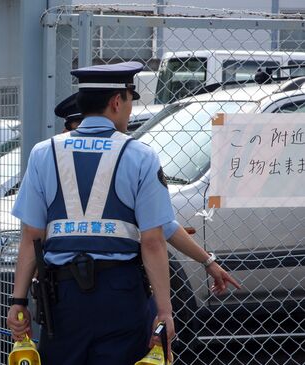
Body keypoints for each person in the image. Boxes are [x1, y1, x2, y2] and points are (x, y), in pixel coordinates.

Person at [7, 62, 176, 365]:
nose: (129, 110)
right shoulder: (141, 156)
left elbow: (31, 235)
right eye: (129, 100)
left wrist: (18, 302)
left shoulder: (44, 153)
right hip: (121, 294)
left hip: (62, 298)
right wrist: (164, 312)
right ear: (116, 101)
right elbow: (152, 241)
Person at [54, 92, 242, 295]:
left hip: (70, 286)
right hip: (115, 284)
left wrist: (207, 261)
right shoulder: (131, 157)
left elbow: (164, 225)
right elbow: (160, 231)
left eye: (70, 126)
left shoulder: (55, 158)